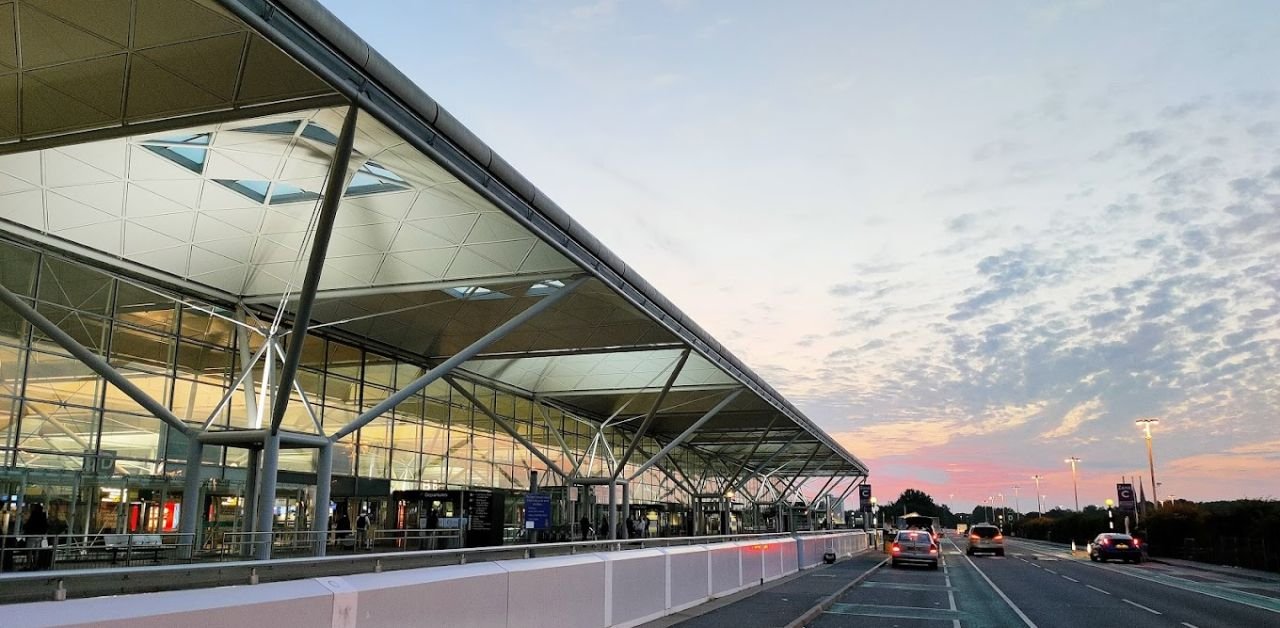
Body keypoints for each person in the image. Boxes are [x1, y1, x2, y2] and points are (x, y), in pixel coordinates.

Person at [23, 504, 51, 570]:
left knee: (29, 551)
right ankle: (35, 564)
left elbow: (28, 525)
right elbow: (46, 526)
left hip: (32, 536)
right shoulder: (43, 516)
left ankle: (28, 565)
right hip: (40, 536)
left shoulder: (34, 515)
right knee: (37, 551)